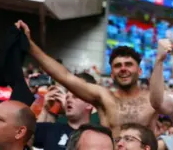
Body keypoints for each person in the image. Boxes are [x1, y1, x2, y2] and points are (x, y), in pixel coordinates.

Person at [15, 21, 156, 135]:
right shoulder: (104, 97)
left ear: (140, 71)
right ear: (112, 74)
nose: (123, 69)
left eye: (128, 64)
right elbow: (65, 76)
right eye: (118, 66)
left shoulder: (155, 101)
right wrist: (30, 46)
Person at [35, 74, 95, 150]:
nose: (68, 99)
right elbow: (22, 134)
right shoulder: (51, 129)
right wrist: (46, 108)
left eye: (75, 96)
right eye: (67, 96)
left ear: (89, 104)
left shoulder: (98, 136)